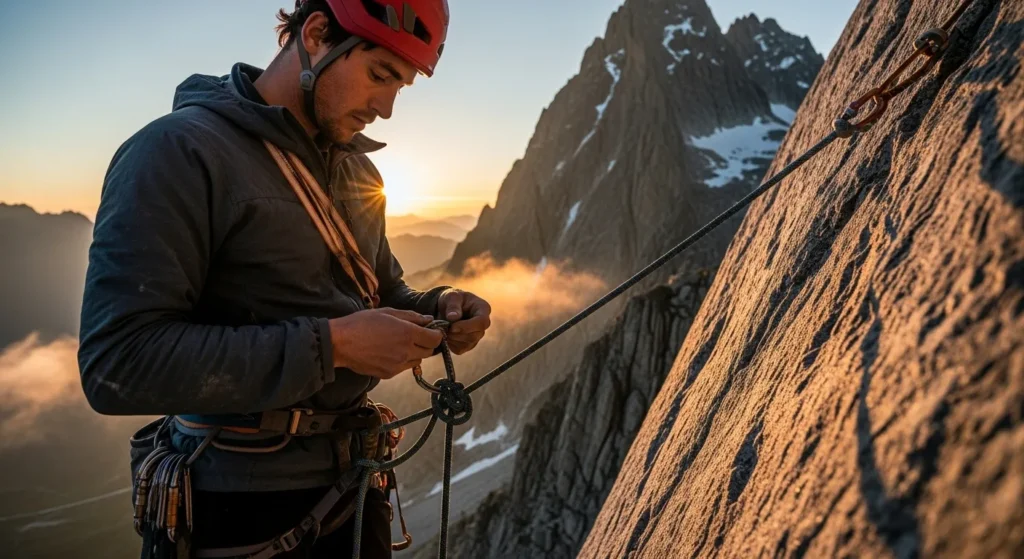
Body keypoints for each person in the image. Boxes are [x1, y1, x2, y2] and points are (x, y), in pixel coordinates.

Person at [77, 1, 490, 557]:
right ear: (316, 34)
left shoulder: (356, 169)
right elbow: (116, 363)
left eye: (401, 86)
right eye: (380, 74)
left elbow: (379, 290)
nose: (387, 108)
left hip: (354, 489)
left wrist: (437, 307)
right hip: (235, 512)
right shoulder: (176, 152)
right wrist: (335, 346)